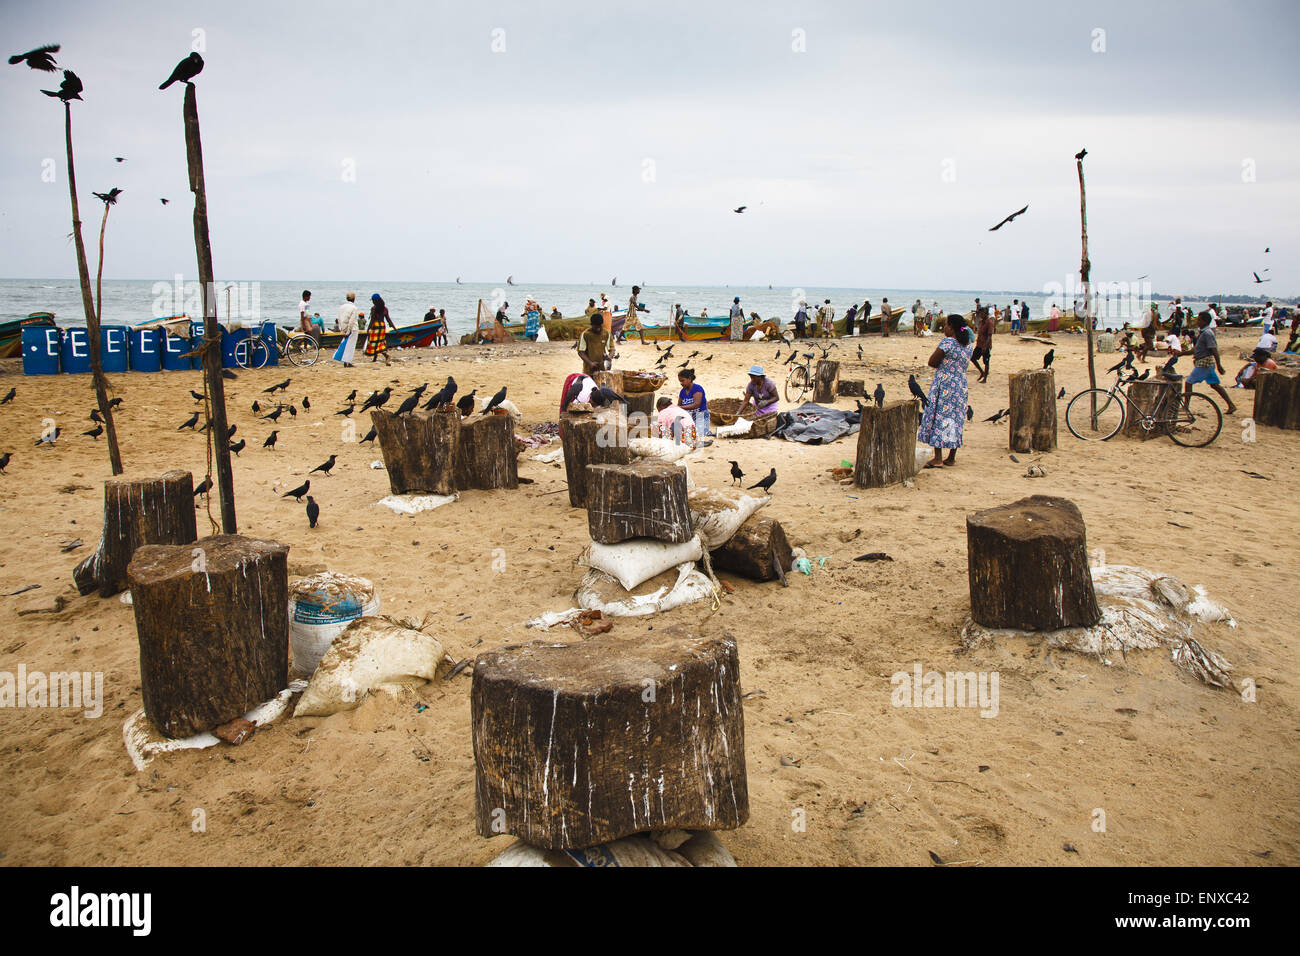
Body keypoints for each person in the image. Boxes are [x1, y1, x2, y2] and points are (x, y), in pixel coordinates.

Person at [919, 314, 975, 468]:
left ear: (952, 327)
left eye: (946, 325)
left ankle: (938, 458)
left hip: (944, 384)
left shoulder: (948, 342)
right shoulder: (968, 344)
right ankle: (951, 457)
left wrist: (945, 366)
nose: (944, 328)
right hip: (960, 385)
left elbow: (932, 361)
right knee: (955, 418)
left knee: (939, 416)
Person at [1185, 310, 1236, 415]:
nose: (1197, 321)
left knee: (1188, 382)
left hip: (1205, 363)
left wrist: (1219, 365)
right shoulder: (1203, 333)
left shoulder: (1207, 333)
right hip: (1205, 363)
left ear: (1204, 321)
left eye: (1199, 320)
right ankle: (1231, 405)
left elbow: (1214, 350)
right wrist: (1181, 354)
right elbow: (1196, 349)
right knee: (1214, 385)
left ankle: (1186, 406)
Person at [677, 368, 710, 437]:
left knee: (698, 434)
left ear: (689, 379)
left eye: (683, 381)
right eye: (680, 381)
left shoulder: (697, 388)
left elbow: (696, 404)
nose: (681, 383)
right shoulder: (682, 391)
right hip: (689, 416)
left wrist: (680, 407)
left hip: (700, 416)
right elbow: (679, 406)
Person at [365, 293, 395, 365]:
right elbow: (388, 319)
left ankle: (386, 356)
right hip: (382, 327)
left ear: (375, 301)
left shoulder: (373, 308)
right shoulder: (385, 309)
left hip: (375, 326)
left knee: (374, 342)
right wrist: (395, 328)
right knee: (380, 342)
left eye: (372, 300)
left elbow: (372, 320)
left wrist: (368, 329)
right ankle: (375, 358)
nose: (372, 302)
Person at [333, 292, 361, 367]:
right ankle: (348, 362)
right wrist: (348, 331)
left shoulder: (341, 307)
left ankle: (345, 362)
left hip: (344, 327)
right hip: (353, 329)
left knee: (346, 345)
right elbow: (351, 321)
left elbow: (339, 319)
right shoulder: (354, 308)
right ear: (354, 299)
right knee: (350, 346)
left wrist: (342, 330)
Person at [972, 307, 994, 382]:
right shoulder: (981, 322)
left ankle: (985, 378)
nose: (981, 315)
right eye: (980, 313)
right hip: (979, 344)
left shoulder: (989, 323)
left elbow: (989, 336)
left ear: (986, 314)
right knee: (973, 358)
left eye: (982, 313)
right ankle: (982, 372)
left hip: (986, 345)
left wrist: (985, 346)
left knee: (986, 362)